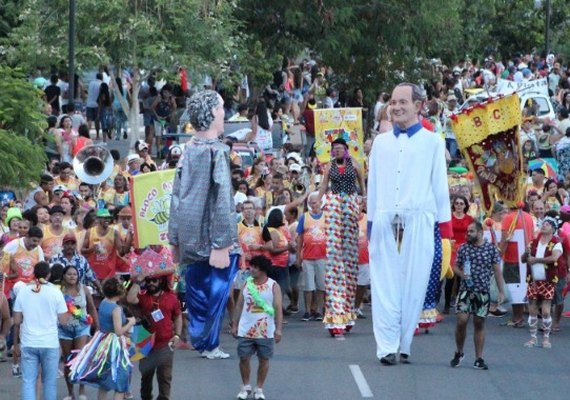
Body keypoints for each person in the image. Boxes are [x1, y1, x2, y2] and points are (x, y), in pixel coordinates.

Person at [367, 83, 452, 365]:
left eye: (402, 102)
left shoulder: (433, 142)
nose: (396, 107)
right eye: (392, 102)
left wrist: (445, 232)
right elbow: (374, 187)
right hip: (384, 220)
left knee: (414, 285)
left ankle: (404, 343)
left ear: (419, 105)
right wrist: (369, 225)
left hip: (419, 220)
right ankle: (386, 346)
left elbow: (440, 188)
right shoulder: (381, 143)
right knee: (383, 286)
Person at [168, 90, 241, 360]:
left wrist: (175, 237)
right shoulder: (217, 151)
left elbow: (175, 196)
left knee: (198, 293)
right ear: (211, 113)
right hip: (214, 240)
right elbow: (222, 198)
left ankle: (203, 341)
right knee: (216, 293)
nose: (224, 114)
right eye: (221, 109)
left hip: (189, 237)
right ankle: (209, 343)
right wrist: (222, 243)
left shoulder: (188, 150)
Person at [317, 137, 365, 337]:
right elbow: (324, 186)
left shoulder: (354, 163)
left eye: (340, 148)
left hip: (351, 203)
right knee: (335, 258)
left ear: (345, 150)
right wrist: (317, 201)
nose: (337, 151)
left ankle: (348, 311)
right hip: (336, 203)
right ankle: (335, 312)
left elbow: (362, 184)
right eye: (334, 149)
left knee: (350, 259)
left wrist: (365, 200)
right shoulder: (329, 166)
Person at [68, 277, 135, 400]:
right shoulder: (116, 309)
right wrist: (131, 323)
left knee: (104, 381)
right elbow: (118, 331)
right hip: (114, 345)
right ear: (119, 292)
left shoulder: (104, 302)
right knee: (120, 381)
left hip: (102, 342)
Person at [450, 221, 505, 370]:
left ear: (480, 233)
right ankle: (459, 352)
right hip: (465, 291)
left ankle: (479, 358)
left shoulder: (490, 249)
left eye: (471, 231)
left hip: (482, 292)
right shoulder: (463, 248)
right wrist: (461, 274)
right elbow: (455, 266)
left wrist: (501, 291)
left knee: (479, 323)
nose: (468, 234)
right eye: (467, 232)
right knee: (461, 321)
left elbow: (497, 270)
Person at [12, 261, 69, 400]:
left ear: (33, 274)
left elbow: (17, 321)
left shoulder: (23, 291)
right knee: (49, 383)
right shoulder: (56, 292)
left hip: (29, 342)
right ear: (48, 275)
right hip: (50, 343)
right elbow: (63, 321)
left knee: (28, 382)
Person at [232, 255, 283, 400]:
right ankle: (245, 386)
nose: (251, 269)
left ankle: (259, 388)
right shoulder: (247, 284)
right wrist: (234, 325)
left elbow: (278, 308)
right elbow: (239, 305)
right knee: (243, 358)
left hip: (265, 330)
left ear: (262, 269)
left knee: (264, 359)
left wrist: (278, 329)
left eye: (254, 267)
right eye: (251, 266)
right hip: (246, 329)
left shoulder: (273, 286)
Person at [126, 273, 182, 400]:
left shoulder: (172, 297)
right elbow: (129, 299)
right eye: (149, 280)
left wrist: (177, 335)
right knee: (146, 377)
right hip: (145, 342)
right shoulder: (142, 297)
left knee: (165, 377)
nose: (151, 283)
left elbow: (178, 316)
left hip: (165, 343)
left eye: (154, 280)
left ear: (161, 281)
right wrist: (138, 281)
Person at [521, 216, 562, 349]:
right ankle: (533, 338)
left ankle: (546, 338)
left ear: (553, 229)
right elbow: (523, 260)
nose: (544, 226)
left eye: (548, 224)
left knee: (545, 311)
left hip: (548, 281)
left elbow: (554, 257)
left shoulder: (556, 243)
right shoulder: (533, 242)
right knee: (532, 309)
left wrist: (536, 260)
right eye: (543, 223)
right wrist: (525, 254)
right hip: (533, 280)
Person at [59, 265, 98, 400]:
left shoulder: (84, 289)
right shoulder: (59, 291)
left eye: (74, 274)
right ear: (64, 276)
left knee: (80, 358)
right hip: (64, 329)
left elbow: (92, 308)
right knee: (68, 360)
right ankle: (71, 393)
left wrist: (97, 327)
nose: (72, 276)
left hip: (82, 328)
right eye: (69, 274)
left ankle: (82, 390)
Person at [296, 192, 326, 321]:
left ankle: (319, 310)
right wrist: (298, 256)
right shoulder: (304, 217)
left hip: (323, 257)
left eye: (316, 201)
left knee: (321, 286)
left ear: (320, 202)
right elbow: (299, 238)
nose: (314, 204)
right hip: (308, 257)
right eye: (311, 202)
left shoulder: (327, 217)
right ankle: (308, 311)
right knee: (308, 286)